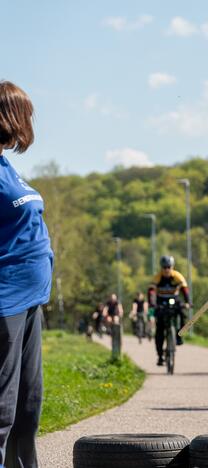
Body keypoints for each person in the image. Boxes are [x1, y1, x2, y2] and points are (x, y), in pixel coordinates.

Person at [0, 80, 52, 468]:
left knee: (28, 405)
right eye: (26, 113)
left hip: (31, 300)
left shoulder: (6, 167)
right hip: (5, 302)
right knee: (2, 407)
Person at [149, 256, 190, 366]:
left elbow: (185, 290)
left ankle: (179, 336)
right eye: (164, 267)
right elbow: (152, 292)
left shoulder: (177, 276)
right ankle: (160, 356)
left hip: (174, 300)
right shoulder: (157, 277)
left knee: (182, 314)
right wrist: (152, 303)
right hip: (161, 301)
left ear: (172, 267)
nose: (167, 269)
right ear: (161, 267)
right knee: (160, 330)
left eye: (169, 267)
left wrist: (187, 302)